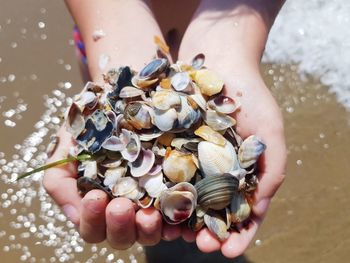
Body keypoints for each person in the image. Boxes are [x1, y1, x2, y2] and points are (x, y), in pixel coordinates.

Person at [43, 0, 286, 259]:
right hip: (108, 36)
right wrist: (113, 23)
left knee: (168, 222)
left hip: (225, 36)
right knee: (147, 218)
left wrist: (241, 28)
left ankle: (175, 228)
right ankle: (170, 230)